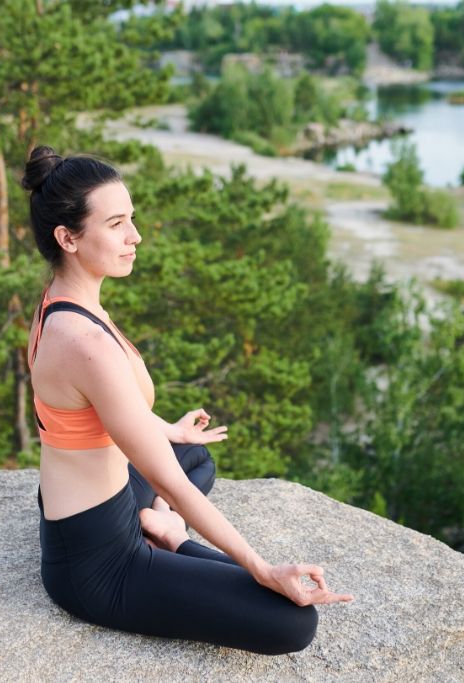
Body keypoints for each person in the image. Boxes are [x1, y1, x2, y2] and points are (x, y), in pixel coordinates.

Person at [24, 146, 353, 656]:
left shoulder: (64, 303)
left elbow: (101, 409)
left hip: (89, 502)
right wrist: (259, 567)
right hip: (96, 562)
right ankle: (167, 534)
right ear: (68, 237)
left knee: (194, 452)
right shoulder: (82, 342)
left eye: (131, 219)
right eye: (116, 224)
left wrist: (166, 431)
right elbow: (167, 479)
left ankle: (156, 521)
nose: (135, 237)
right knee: (293, 621)